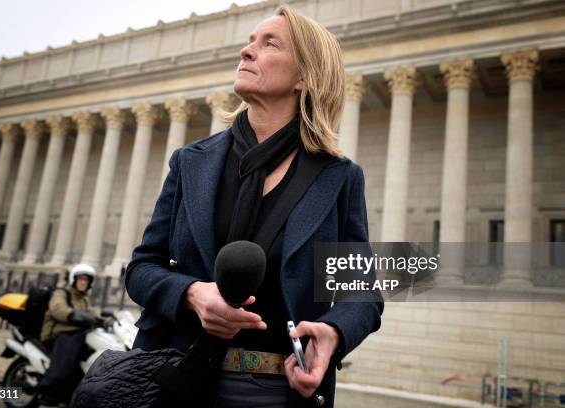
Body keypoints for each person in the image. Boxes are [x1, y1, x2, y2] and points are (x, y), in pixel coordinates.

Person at [125, 5, 383, 408]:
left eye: (269, 44)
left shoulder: (339, 177)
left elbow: (361, 293)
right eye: (249, 42)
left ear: (304, 76)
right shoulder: (191, 163)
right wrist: (191, 293)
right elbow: (141, 269)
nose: (247, 52)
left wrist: (333, 331)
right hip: (174, 377)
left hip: (277, 391)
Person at [38, 263, 101, 405]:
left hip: (76, 334)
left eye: (86, 280)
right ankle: (50, 390)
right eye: (81, 279)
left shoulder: (83, 298)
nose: (84, 282)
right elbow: (57, 309)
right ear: (74, 279)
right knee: (71, 345)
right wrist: (73, 315)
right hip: (57, 334)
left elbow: (91, 312)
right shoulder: (62, 292)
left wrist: (104, 319)